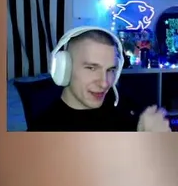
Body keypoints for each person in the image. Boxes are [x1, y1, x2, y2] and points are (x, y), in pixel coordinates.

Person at [27, 27, 171, 132]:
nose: (104, 83)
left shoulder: (125, 109)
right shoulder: (43, 132)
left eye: (110, 70)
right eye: (91, 68)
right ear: (64, 69)